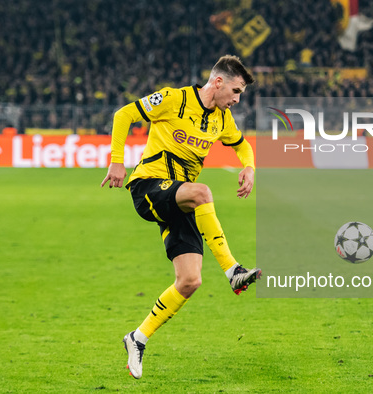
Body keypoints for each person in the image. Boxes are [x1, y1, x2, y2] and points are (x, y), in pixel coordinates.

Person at [101, 55, 261, 379]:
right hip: (148, 187)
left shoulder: (221, 119)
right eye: (236, 90)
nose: (237, 99)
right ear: (217, 82)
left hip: (178, 197)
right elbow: (124, 114)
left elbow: (243, 146)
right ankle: (233, 271)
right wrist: (117, 160)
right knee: (202, 192)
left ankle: (138, 338)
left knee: (190, 280)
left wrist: (249, 166)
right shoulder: (174, 99)